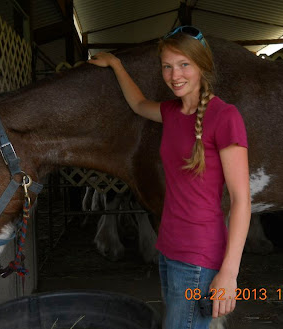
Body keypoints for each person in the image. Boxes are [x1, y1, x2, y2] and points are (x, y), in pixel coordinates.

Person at [88, 26, 251, 329]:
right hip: (168, 248)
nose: (175, 75)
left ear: (202, 65)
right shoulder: (172, 112)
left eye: (184, 64)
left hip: (198, 257)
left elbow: (242, 200)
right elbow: (137, 104)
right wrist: (116, 64)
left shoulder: (225, 117)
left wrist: (229, 273)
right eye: (167, 66)